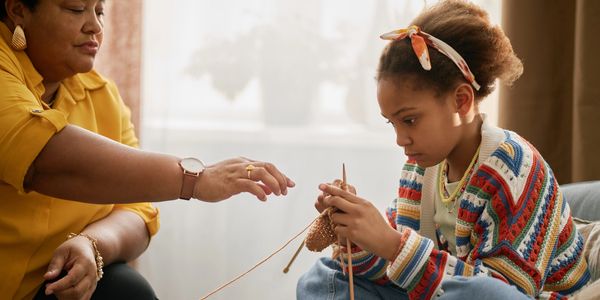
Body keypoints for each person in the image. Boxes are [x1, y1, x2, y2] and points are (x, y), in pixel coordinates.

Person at [0, 0, 295, 299]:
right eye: (76, 9)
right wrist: (195, 179)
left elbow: (138, 210)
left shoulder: (101, 94)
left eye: (99, 11)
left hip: (54, 287)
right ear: (18, 10)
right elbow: (43, 158)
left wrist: (92, 243)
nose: (95, 26)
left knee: (126, 289)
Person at [297, 1, 590, 299]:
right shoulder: (420, 167)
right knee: (321, 278)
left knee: (480, 294)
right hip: (438, 291)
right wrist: (359, 237)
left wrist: (393, 245)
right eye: (393, 123)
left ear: (460, 101)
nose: (401, 139)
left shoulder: (514, 167)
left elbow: (501, 291)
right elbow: (396, 271)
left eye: (410, 120)